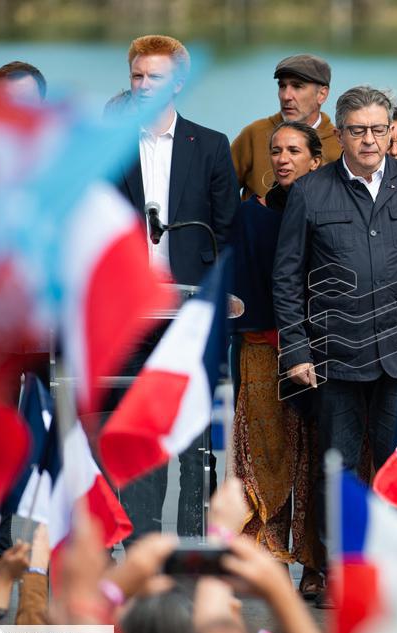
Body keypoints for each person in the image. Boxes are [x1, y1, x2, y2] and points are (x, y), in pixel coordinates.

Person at [273, 84, 397, 475]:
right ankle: (343, 540)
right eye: (357, 130)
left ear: (390, 132)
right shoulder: (309, 191)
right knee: (338, 472)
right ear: (338, 135)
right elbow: (287, 277)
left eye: (378, 129)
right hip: (334, 357)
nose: (369, 139)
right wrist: (297, 349)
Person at [113, 34, 239, 541]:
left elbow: (228, 229)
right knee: (136, 430)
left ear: (179, 82)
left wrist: (221, 292)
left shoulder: (208, 145)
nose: (144, 86)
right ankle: (141, 543)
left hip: (190, 313)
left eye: (154, 77)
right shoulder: (114, 146)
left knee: (191, 435)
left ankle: (191, 542)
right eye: (137, 76)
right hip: (129, 315)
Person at [229, 121, 326, 600]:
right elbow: (242, 287)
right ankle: (261, 559)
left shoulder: (331, 209)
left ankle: (313, 562)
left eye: (293, 150)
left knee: (314, 454)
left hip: (322, 352)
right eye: (276, 150)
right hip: (264, 351)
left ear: (316, 158)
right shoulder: (252, 214)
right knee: (263, 454)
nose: (283, 158)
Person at [231, 54, 341, 200]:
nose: (286, 96)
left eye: (297, 86)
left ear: (322, 94)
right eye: (282, 86)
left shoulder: (341, 143)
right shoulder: (254, 133)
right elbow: (221, 193)